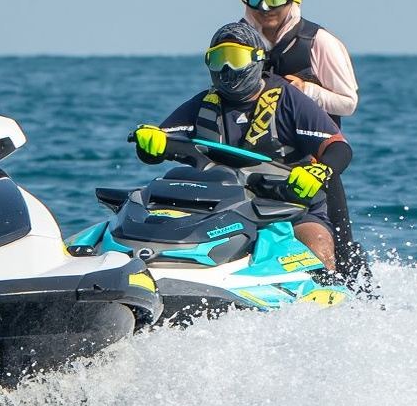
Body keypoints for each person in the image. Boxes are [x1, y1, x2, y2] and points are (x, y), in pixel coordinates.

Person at [131, 21, 352, 270]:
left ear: (257, 60)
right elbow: (157, 146)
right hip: (220, 207)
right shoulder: (204, 103)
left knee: (317, 241)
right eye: (218, 59)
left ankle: (328, 295)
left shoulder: (289, 99)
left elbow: (338, 147)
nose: (226, 68)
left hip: (287, 206)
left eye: (235, 58)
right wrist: (150, 142)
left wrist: (320, 171)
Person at [240, 0, 370, 286]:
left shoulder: (319, 43)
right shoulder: (240, 41)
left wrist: (306, 90)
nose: (264, 7)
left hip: (311, 164)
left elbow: (348, 102)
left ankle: (360, 301)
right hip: (253, 164)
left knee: (339, 247)